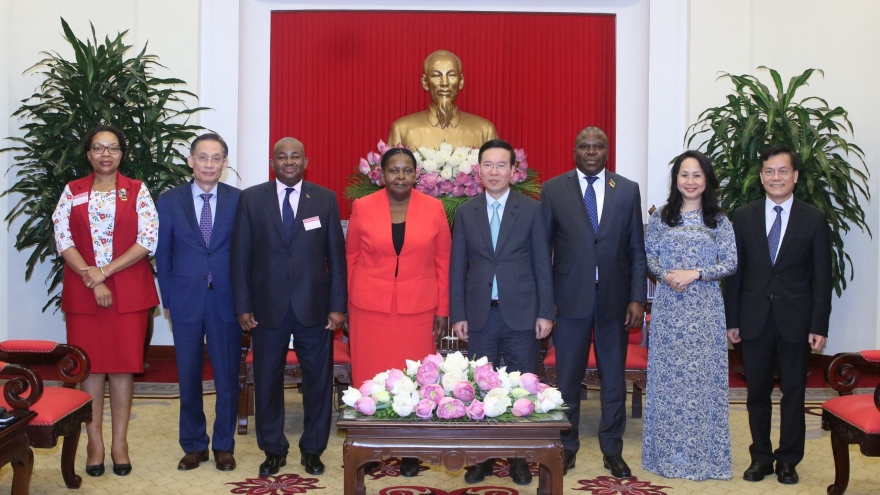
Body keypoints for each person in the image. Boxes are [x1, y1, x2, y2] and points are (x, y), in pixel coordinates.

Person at [230, 137, 347, 477]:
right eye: (282, 156)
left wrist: (337, 306)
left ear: (305, 161)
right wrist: (242, 305)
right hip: (266, 308)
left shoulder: (324, 198)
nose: (289, 161)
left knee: (318, 383)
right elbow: (240, 256)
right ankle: (273, 449)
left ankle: (313, 449)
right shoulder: (252, 198)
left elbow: (336, 257)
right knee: (267, 382)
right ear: (273, 163)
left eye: (295, 156)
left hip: (315, 308)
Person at [51, 124, 159, 478]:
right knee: (91, 367)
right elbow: (63, 238)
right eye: (98, 148)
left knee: (123, 367)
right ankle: (94, 442)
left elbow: (148, 239)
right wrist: (91, 276)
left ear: (122, 154)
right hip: (84, 292)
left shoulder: (137, 190)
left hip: (127, 291)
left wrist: (105, 272)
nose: (106, 154)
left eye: (113, 148)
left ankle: (120, 443)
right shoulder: (73, 191)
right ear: (88, 154)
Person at [539, 126, 646, 478]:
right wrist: (547, 301)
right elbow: (543, 251)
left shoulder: (627, 189)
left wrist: (637, 298)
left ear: (607, 152)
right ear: (574, 151)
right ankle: (566, 448)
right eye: (584, 146)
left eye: (597, 146)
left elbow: (637, 250)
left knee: (613, 381)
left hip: (615, 302)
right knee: (567, 381)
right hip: (569, 301)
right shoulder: (554, 189)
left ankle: (612, 450)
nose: (590, 151)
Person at [724, 145, 832, 485]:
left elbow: (822, 277)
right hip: (754, 319)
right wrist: (732, 320)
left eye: (783, 171)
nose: (776, 177)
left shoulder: (813, 219)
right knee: (756, 393)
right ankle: (761, 457)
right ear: (761, 177)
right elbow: (735, 274)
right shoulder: (744, 216)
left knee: (794, 392)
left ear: (795, 176)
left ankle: (788, 460)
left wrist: (819, 325)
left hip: (796, 321)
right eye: (769, 171)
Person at [450, 139, 554, 486]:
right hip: (480, 315)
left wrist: (545, 312)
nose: (494, 171)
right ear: (478, 170)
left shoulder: (531, 210)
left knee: (521, 385)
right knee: (480, 387)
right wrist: (458, 314)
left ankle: (519, 458)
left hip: (522, 313)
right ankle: (481, 457)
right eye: (488, 165)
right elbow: (457, 267)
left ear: (513, 171)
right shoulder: (466, 211)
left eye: (501, 165)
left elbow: (543, 264)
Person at [346, 147, 451, 477]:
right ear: (381, 174)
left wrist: (443, 309)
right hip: (369, 309)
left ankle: (410, 451)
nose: (400, 176)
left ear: (416, 175)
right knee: (371, 379)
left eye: (407, 170)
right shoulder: (363, 206)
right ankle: (370, 447)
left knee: (415, 380)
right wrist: (345, 304)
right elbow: (350, 258)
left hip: (418, 309)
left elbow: (443, 261)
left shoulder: (434, 208)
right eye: (394, 170)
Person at [641, 150, 736, 480]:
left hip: (705, 311)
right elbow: (649, 257)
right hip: (669, 308)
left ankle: (704, 459)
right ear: (676, 180)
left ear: (706, 180)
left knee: (702, 384)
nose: (690, 181)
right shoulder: (662, 217)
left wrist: (695, 273)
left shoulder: (718, 220)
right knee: (669, 383)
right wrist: (667, 276)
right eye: (684, 175)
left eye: (697, 175)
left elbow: (730, 262)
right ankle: (667, 457)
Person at [155, 133, 241, 472]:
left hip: (226, 300)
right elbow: (163, 255)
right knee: (188, 375)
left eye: (216, 158)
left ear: (224, 163)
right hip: (185, 300)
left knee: (226, 378)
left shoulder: (238, 200)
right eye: (202, 157)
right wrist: (170, 301)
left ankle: (223, 445)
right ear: (191, 161)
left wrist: (245, 301)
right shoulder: (169, 200)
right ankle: (193, 445)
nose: (209, 164)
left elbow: (246, 255)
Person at [388, 50, 498, 150]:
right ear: (425, 82)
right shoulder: (402, 130)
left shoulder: (485, 131)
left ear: (461, 82)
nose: (444, 83)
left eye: (452, 75)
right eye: (436, 76)